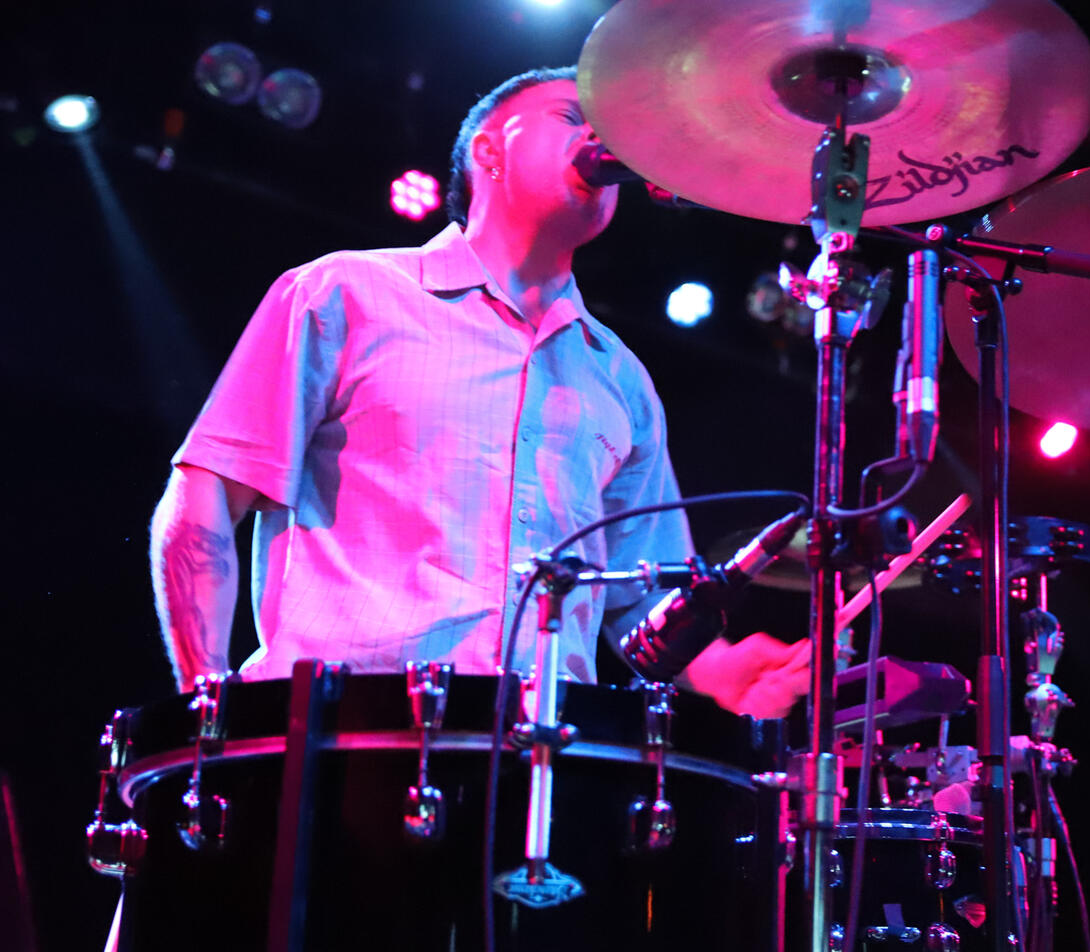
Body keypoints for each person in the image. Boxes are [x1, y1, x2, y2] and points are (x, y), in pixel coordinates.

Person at [148, 66, 810, 718]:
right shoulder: (343, 294)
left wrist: (721, 669)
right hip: (343, 735)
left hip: (542, 756)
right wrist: (204, 703)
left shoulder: (622, 381)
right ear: (488, 150)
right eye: (571, 117)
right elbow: (209, 486)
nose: (600, 140)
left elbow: (643, 596)